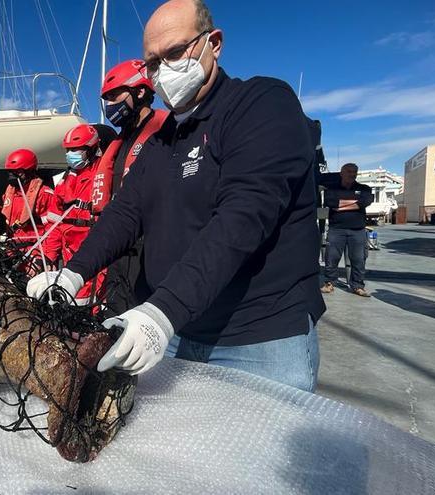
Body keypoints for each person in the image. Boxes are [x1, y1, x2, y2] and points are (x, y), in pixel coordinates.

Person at [27, 0, 324, 392]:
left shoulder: (261, 103)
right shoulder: (162, 143)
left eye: (175, 52)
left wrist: (161, 313)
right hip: (179, 333)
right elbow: (124, 214)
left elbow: (244, 215)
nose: (164, 70)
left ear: (213, 43)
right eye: (153, 62)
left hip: (258, 337)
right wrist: (71, 274)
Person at [96, 59, 170, 316]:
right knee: (114, 315)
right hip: (120, 245)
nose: (109, 105)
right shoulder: (121, 142)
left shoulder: (166, 130)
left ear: (140, 91)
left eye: (115, 95)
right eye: (107, 98)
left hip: (151, 247)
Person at [42, 124, 105, 305]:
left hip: (93, 247)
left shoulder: (103, 173)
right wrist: (49, 255)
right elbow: (54, 222)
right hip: (68, 250)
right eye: (69, 150)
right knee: (70, 298)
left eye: (76, 149)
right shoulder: (66, 179)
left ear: (91, 148)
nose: (71, 154)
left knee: (91, 298)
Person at [0, 148, 60, 253]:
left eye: (17, 172)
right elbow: (11, 215)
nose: (12, 175)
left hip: (35, 250)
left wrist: (47, 257)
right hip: (11, 248)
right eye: (10, 172)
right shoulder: (10, 192)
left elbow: (54, 229)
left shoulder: (44, 195)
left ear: (29, 171)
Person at [319, 163, 373, 297]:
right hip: (336, 229)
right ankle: (329, 283)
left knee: (358, 259)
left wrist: (341, 204)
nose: (352, 174)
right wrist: (355, 203)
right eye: (349, 171)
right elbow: (330, 203)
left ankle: (358, 286)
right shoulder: (332, 189)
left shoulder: (364, 188)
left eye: (355, 172)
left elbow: (365, 201)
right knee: (331, 257)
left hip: (358, 230)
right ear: (341, 173)